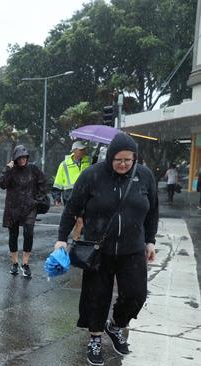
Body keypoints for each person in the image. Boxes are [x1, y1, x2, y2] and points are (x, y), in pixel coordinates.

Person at [54, 133, 158, 366]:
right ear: (110, 156)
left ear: (135, 159)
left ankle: (116, 325)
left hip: (132, 248)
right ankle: (95, 338)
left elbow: (152, 211)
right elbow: (72, 209)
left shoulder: (144, 176)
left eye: (128, 160)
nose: (123, 164)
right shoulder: (92, 175)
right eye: (118, 159)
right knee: (96, 297)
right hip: (99, 249)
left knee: (136, 296)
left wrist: (150, 241)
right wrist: (62, 238)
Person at [0, 145, 48, 278]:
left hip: (30, 207)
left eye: (24, 157)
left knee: (28, 232)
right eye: (19, 158)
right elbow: (2, 184)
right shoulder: (11, 170)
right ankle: (14, 263)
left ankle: (25, 264)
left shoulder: (33, 169)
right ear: (15, 158)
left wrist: (37, 199)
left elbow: (43, 183)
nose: (22, 160)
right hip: (13, 207)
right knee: (13, 235)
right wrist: (7, 168)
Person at [52, 140, 91, 206]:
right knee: (70, 216)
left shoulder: (90, 161)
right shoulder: (64, 165)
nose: (83, 151)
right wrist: (57, 198)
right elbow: (58, 183)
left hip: (85, 194)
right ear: (74, 151)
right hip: (69, 196)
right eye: (81, 149)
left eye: (84, 149)